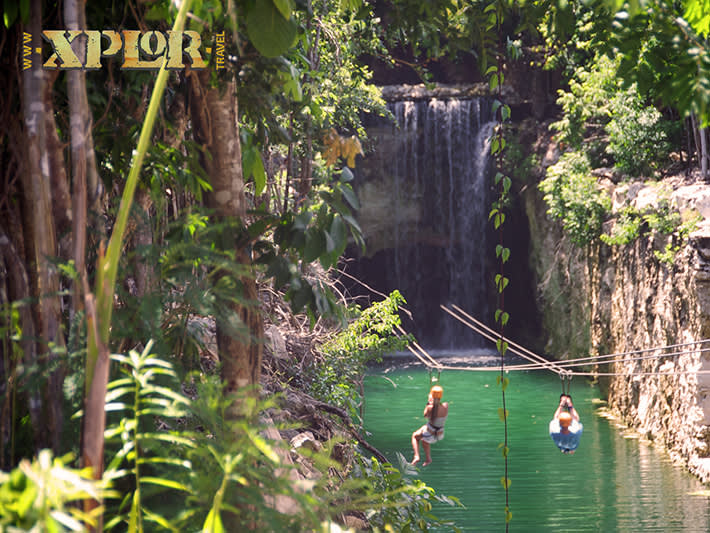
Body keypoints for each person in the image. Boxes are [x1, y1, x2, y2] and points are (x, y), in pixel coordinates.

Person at [411, 385, 449, 466]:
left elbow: (425, 415)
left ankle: (416, 456)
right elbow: (438, 407)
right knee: (425, 440)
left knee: (415, 436)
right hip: (440, 434)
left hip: (430, 433)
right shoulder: (446, 406)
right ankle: (428, 459)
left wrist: (428, 403)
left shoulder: (429, 407)